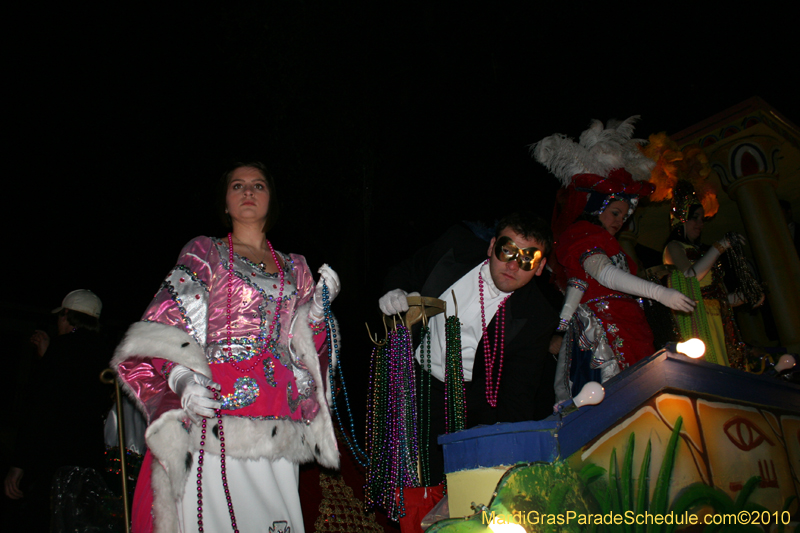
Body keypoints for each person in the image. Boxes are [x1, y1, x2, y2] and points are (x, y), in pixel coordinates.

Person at [111, 162, 340, 533]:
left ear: (272, 200)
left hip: (280, 413)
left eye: (258, 185)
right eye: (238, 186)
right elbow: (168, 321)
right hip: (217, 410)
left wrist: (314, 317)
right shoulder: (206, 251)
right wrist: (182, 378)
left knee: (276, 517)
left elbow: (306, 353)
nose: (248, 192)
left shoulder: (296, 266)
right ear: (226, 202)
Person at [378, 211, 559, 483]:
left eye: (527, 258)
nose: (512, 266)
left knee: (441, 484)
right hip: (412, 378)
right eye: (507, 251)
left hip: (465, 408)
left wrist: (509, 455)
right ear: (491, 245)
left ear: (541, 265)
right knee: (394, 464)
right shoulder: (455, 246)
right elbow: (406, 271)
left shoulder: (537, 316)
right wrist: (397, 291)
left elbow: (518, 394)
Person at [532, 117, 695, 403]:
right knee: (614, 396)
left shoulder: (609, 245)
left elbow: (581, 284)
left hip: (630, 322)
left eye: (624, 216)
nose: (620, 221)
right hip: (603, 328)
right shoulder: (582, 234)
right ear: (596, 209)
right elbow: (603, 276)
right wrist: (661, 293)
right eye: (615, 213)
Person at [4, 289, 109, 532]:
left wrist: (18, 465)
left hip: (54, 460)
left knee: (47, 519)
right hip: (89, 458)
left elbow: (42, 408)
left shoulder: (60, 350)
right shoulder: (105, 352)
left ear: (65, 316)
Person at [663, 183, 757, 367]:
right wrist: (720, 246)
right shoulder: (674, 247)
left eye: (702, 219)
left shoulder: (701, 254)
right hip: (698, 321)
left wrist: (746, 295)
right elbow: (690, 277)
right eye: (695, 218)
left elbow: (719, 298)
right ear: (681, 219)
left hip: (719, 321)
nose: (700, 224)